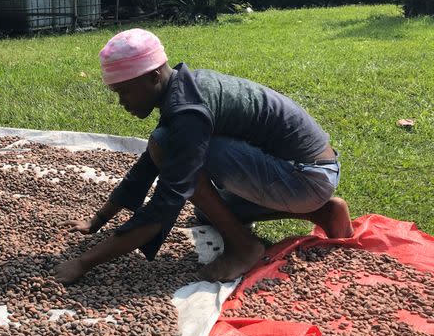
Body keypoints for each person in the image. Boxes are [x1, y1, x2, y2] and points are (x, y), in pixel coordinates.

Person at [52, 28, 352, 284]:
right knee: (205, 209)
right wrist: (98, 220)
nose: (122, 103)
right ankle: (322, 212)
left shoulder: (187, 113)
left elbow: (163, 207)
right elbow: (145, 168)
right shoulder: (182, 89)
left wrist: (83, 263)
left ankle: (244, 247)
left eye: (125, 92)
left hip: (305, 175)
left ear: (154, 77)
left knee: (173, 151)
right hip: (305, 173)